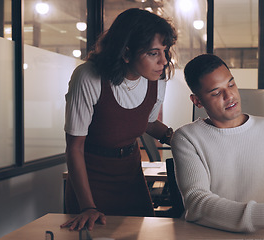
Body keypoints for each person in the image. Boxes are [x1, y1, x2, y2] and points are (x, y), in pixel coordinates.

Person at [60, 8, 177, 231]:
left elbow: (148, 122)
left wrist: (181, 138)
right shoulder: (89, 77)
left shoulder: (156, 80)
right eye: (153, 53)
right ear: (126, 52)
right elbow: (74, 148)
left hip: (130, 175)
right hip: (90, 178)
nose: (164, 60)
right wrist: (87, 206)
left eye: (165, 50)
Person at [170, 54, 264, 233]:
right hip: (207, 236)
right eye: (216, 92)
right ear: (197, 101)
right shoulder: (186, 138)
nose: (229, 95)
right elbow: (196, 203)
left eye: (231, 84)